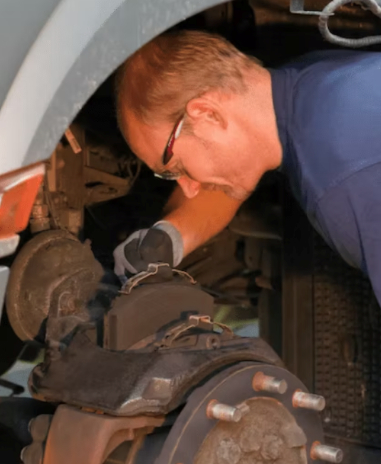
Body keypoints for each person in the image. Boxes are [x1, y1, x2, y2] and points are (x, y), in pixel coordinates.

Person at [113, 30, 381, 304]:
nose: (191, 189)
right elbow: (229, 179)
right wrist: (170, 237)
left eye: (177, 167)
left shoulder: (342, 186)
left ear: (207, 114)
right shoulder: (310, 80)